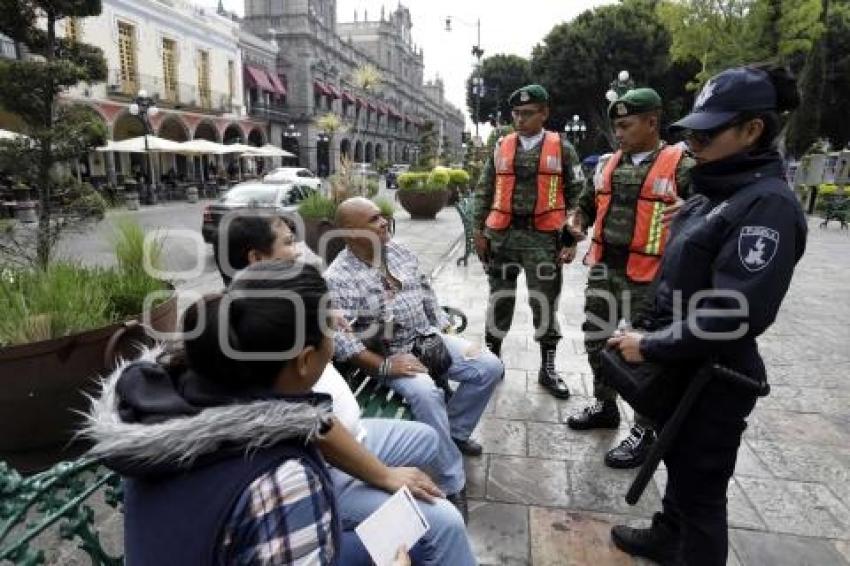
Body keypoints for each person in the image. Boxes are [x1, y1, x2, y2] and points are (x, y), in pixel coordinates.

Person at [607, 64, 807, 565]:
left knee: (702, 491)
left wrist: (650, 344)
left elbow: (732, 312)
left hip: (715, 374)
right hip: (688, 365)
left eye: (707, 132)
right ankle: (667, 533)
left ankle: (688, 546)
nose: (693, 141)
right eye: (692, 131)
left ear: (752, 130)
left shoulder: (767, 205)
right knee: (680, 461)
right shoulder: (724, 193)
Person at [218, 211, 477, 563]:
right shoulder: (258, 330)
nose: (299, 251)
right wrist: (383, 477)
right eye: (289, 242)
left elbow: (309, 413)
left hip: (351, 435)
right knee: (443, 521)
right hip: (324, 470)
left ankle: (409, 496)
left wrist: (322, 314)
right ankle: (362, 520)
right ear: (256, 258)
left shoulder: (272, 307)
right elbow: (312, 420)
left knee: (430, 438)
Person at [325, 196, 503, 518]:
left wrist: (442, 328)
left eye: (383, 217)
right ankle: (451, 481)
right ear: (351, 234)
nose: (383, 223)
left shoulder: (400, 251)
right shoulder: (338, 277)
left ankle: (454, 435)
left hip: (428, 337)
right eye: (373, 220)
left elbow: (425, 290)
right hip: (390, 355)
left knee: (490, 366)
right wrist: (384, 365)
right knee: (426, 393)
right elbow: (341, 340)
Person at [566, 88, 695, 469]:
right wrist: (577, 222)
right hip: (607, 268)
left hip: (652, 277)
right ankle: (605, 406)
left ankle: (644, 429)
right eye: (615, 126)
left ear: (652, 122)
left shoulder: (681, 164)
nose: (618, 132)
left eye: (625, 124)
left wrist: (692, 208)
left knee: (643, 354)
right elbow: (588, 203)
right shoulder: (607, 163)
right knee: (597, 341)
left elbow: (711, 207)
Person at [472, 84, 585, 399]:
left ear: (544, 113)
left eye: (528, 113)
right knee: (499, 299)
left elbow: (579, 197)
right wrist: (478, 233)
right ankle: (493, 361)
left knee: (544, 302)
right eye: (516, 114)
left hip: (544, 238)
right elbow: (484, 190)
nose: (520, 119)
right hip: (501, 236)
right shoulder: (502, 146)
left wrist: (571, 239)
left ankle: (547, 368)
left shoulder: (563, 148)